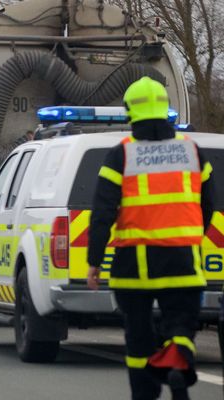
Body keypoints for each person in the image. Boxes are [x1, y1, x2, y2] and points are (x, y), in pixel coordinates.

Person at [87, 77, 215, 400]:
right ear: (164, 109)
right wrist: (191, 236)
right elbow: (210, 203)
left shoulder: (122, 155)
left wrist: (94, 262)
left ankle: (144, 395)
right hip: (183, 261)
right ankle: (177, 371)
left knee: (138, 337)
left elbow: (102, 212)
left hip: (135, 267)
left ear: (130, 112)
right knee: (181, 327)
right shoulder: (191, 151)